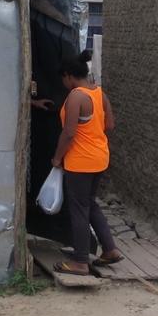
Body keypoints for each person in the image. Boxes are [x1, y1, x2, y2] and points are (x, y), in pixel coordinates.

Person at [49, 49, 122, 275]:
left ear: (69, 75)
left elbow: (69, 133)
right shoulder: (100, 94)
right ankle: (110, 249)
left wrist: (57, 158)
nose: (64, 83)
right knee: (90, 204)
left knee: (79, 209)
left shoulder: (76, 96)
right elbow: (109, 125)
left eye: (63, 78)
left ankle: (80, 262)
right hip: (100, 157)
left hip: (81, 162)